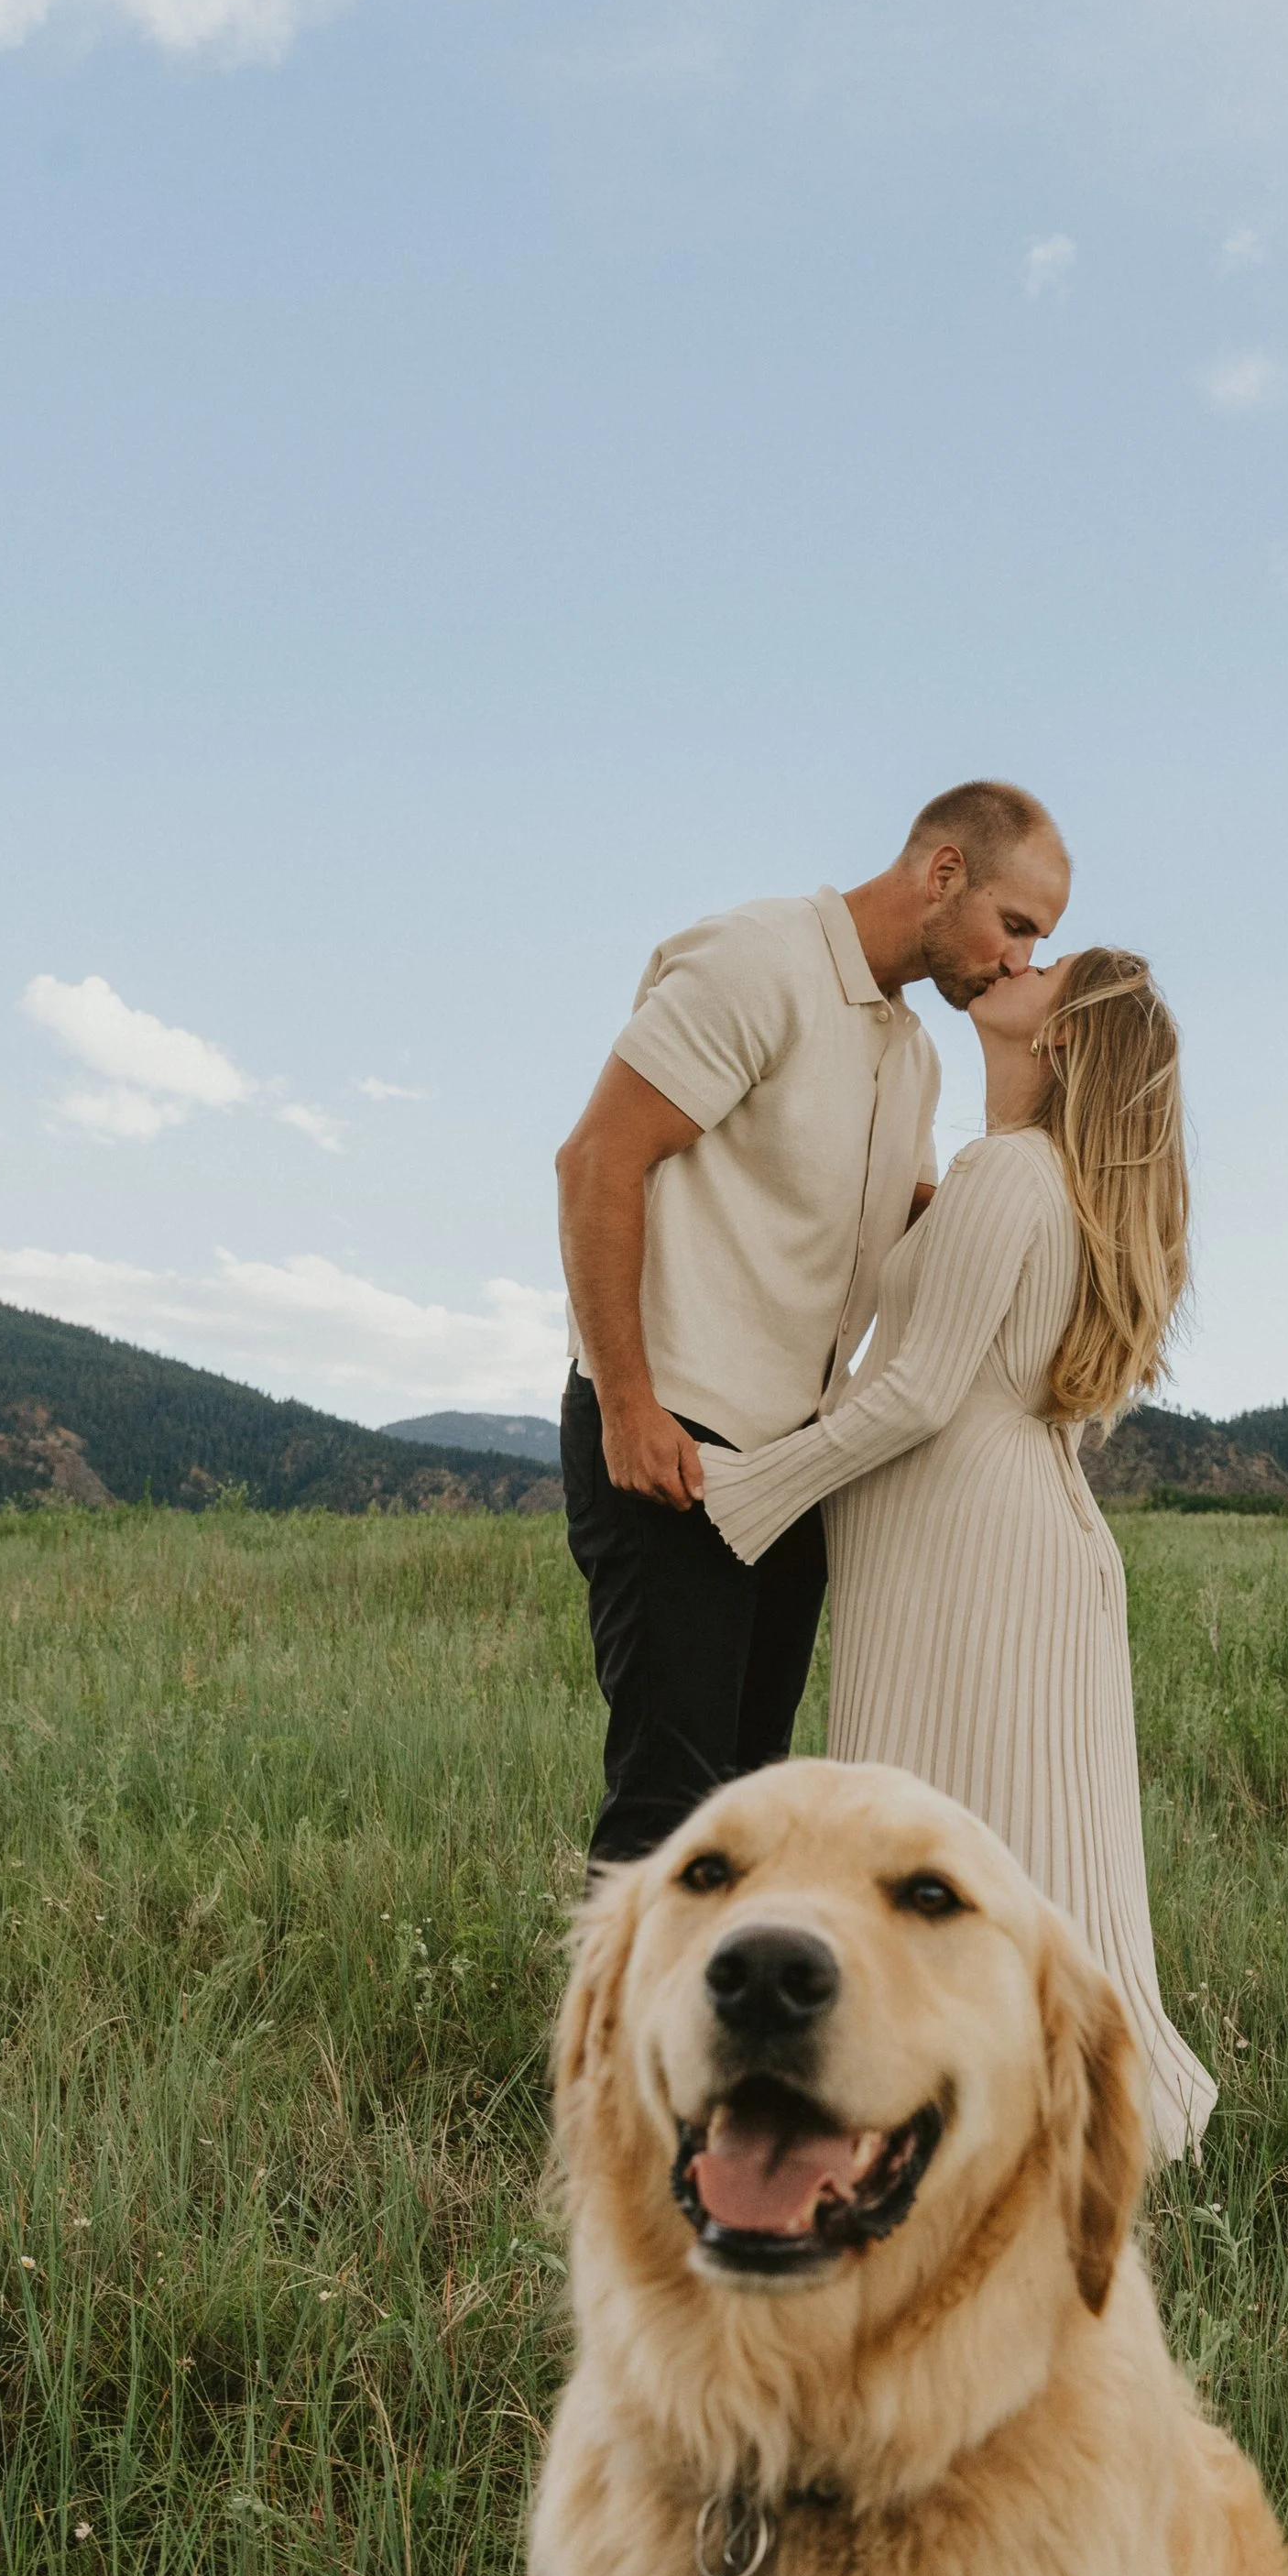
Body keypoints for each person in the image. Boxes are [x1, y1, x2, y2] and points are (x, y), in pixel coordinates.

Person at [697, 948, 1215, 2159]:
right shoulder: (1045, 1185)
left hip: (968, 1549)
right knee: (1006, 1831)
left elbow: (922, 1390)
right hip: (1009, 1532)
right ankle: (1015, 2091)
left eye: (1048, 966)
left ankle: (983, 2099)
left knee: (952, 1824)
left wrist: (738, 1495)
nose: (1014, 962)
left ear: (1070, 1035)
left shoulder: (1013, 1175)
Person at [555, 783, 1072, 1869]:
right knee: (670, 1810)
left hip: (792, 1478)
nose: (1020, 960)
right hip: (674, 1443)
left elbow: (914, 1231)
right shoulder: (759, 959)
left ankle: (709, 2045)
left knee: (751, 1816)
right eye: (1015, 925)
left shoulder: (915, 1057)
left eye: (1038, 941)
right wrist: (629, 1406)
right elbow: (599, 1158)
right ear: (942, 873)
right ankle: (600, 2046)